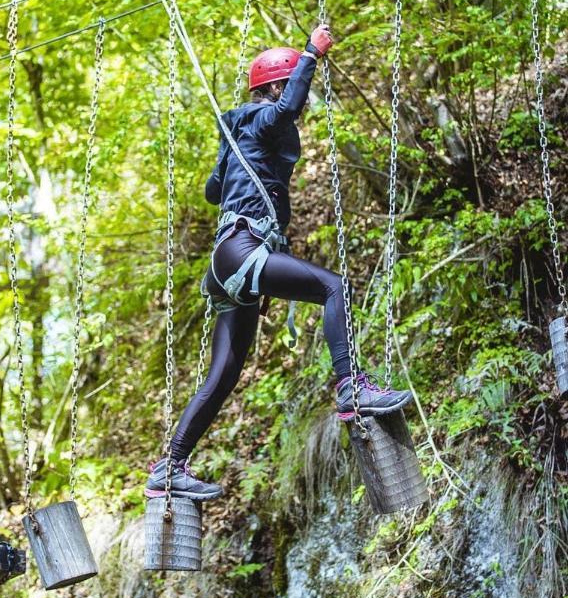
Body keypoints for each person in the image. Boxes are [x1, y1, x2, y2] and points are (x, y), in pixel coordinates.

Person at [145, 25, 413, 500]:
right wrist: (312, 53)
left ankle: (171, 465)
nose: (300, 106)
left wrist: (237, 161)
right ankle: (351, 387)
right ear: (273, 88)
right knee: (335, 287)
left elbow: (213, 191)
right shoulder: (265, 115)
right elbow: (287, 107)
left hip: (230, 258)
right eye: (288, 88)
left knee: (224, 374)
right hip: (243, 247)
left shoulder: (242, 133)